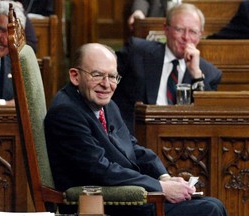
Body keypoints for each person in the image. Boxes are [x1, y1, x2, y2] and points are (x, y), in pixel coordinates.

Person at [44, 42, 228, 216]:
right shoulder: (66, 112)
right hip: (104, 202)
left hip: (131, 192)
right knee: (210, 209)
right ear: (75, 76)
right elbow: (99, 170)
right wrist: (160, 188)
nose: (107, 84)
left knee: (213, 205)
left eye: (112, 76)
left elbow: (133, 147)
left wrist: (163, 177)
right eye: (98, 75)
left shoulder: (106, 104)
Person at [113, 3, 222, 133]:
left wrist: (196, 75)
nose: (186, 38)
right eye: (179, 29)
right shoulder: (136, 52)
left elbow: (208, 120)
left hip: (182, 141)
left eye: (193, 32)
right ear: (166, 29)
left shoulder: (209, 73)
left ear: (200, 36)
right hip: (135, 136)